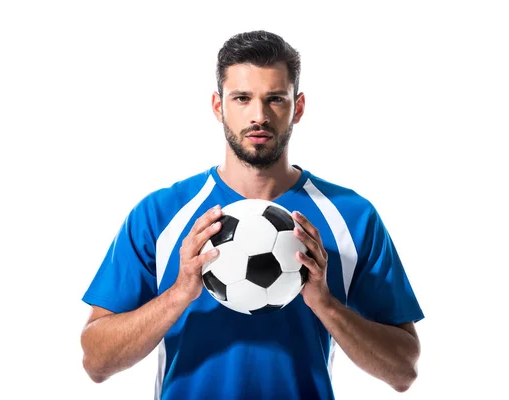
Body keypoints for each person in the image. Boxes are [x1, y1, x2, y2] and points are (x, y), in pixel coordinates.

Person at [80, 30, 424, 400]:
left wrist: (326, 306)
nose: (258, 116)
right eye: (241, 98)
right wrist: (179, 293)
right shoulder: (160, 214)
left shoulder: (352, 217)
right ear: (218, 106)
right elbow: (96, 362)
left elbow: (403, 370)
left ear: (299, 106)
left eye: (275, 99)